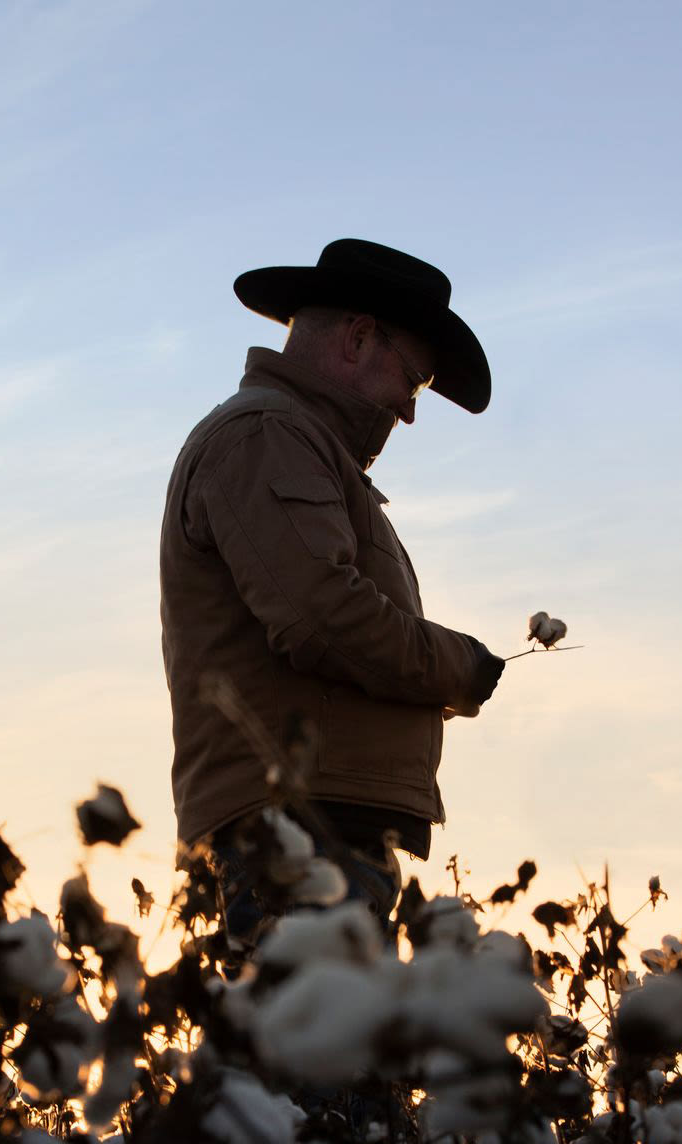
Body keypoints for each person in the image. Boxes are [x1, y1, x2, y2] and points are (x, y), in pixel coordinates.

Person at [159, 238, 505, 953]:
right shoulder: (268, 436)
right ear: (356, 338)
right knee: (314, 1056)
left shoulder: (295, 444)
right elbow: (323, 615)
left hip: (319, 823)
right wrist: (459, 667)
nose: (408, 413)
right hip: (304, 828)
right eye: (413, 380)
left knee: (325, 1052)